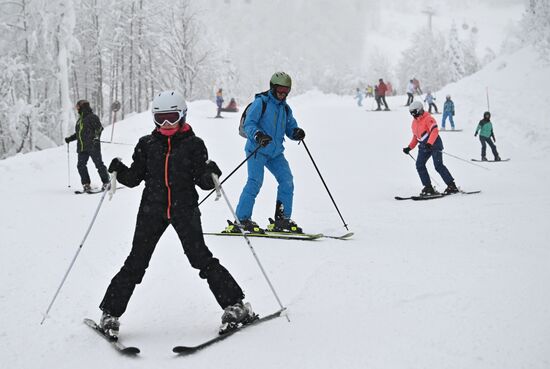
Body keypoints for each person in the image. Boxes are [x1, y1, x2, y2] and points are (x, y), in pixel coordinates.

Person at [98, 91, 256, 338]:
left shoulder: (194, 145)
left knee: (201, 258)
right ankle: (110, 312)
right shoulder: (146, 145)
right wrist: (119, 169)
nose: (166, 124)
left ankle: (235, 305)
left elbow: (202, 181)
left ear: (182, 115)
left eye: (172, 118)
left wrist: (210, 173)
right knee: (136, 261)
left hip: (185, 210)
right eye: (161, 119)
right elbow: (134, 178)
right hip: (152, 210)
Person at [230, 72, 306, 234]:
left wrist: (296, 133)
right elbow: (249, 124)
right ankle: (241, 219)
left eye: (286, 90)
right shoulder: (261, 103)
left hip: (275, 153)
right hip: (257, 149)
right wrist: (258, 135)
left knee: (287, 181)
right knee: (255, 182)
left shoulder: (285, 108)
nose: (282, 93)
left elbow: (290, 128)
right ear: (272, 87)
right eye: (280, 89)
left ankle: (282, 220)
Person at [402, 101, 459, 196]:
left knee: (438, 165)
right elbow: (416, 137)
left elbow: (434, 131)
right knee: (419, 164)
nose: (413, 114)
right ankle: (428, 187)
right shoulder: (414, 122)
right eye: (411, 112)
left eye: (414, 112)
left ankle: (451, 185)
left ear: (419, 110)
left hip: (434, 144)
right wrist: (409, 147)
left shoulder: (428, 119)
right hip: (424, 146)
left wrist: (430, 143)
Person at [64, 100, 110, 193]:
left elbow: (99, 129)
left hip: (93, 146)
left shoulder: (92, 117)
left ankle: (106, 183)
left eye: (77, 107)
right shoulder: (79, 121)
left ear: (82, 106)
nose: (77, 109)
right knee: (81, 165)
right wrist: (69, 139)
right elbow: (78, 134)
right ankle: (86, 184)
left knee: (99, 164)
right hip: (82, 148)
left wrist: (96, 138)